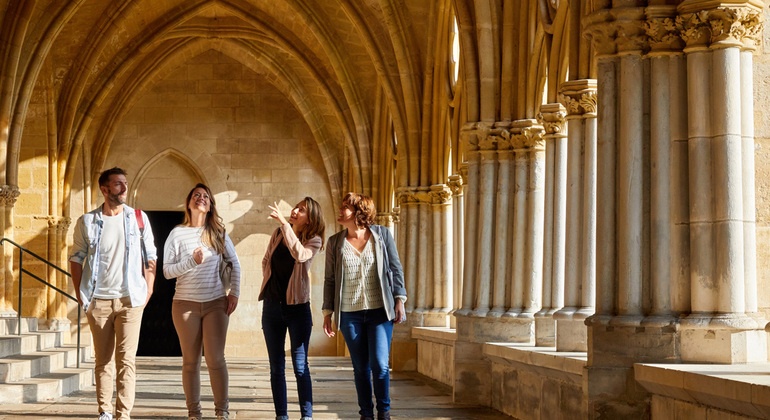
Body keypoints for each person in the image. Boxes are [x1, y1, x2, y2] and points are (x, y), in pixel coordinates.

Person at [70, 167, 157, 420]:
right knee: (103, 360)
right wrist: (80, 294)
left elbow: (150, 255)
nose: (124, 188)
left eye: (125, 183)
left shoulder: (138, 218)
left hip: (130, 300)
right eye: (118, 184)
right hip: (98, 301)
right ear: (104, 189)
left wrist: (149, 287)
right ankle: (105, 411)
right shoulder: (87, 221)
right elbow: (76, 258)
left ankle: (123, 414)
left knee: (126, 360)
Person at [322, 193, 407, 420]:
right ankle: (366, 414)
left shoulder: (382, 235)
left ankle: (384, 411)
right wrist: (327, 313)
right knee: (360, 367)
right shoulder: (334, 242)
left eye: (346, 207)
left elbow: (396, 268)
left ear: (359, 212)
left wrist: (400, 299)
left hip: (380, 311)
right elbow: (330, 280)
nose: (340, 211)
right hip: (349, 313)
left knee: (380, 364)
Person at [163, 183, 241, 420]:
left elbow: (235, 263)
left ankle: (222, 412)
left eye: (206, 196)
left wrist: (234, 293)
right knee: (190, 361)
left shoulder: (217, 232)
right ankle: (194, 413)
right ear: (189, 203)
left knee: (216, 359)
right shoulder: (176, 233)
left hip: (216, 302)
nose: (201, 198)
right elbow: (167, 271)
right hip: (184, 304)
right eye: (196, 195)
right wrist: (191, 262)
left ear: (209, 206)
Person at [259, 197, 326, 420]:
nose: (295, 210)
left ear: (310, 219)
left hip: (297, 310)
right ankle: (282, 416)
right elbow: (266, 260)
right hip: (272, 308)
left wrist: (286, 226)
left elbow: (300, 255)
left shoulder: (313, 240)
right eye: (296, 207)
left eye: (302, 210)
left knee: (300, 366)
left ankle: (306, 416)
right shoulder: (278, 234)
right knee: (276, 367)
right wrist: (271, 284)